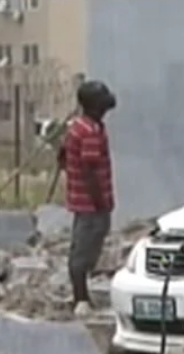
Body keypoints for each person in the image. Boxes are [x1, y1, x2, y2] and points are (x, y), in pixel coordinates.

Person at [59, 80, 116, 318]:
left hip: (83, 201)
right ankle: (80, 299)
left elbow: (62, 155)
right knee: (84, 250)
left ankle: (82, 295)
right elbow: (90, 168)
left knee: (83, 246)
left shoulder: (79, 126)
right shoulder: (90, 132)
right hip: (92, 204)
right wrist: (99, 201)